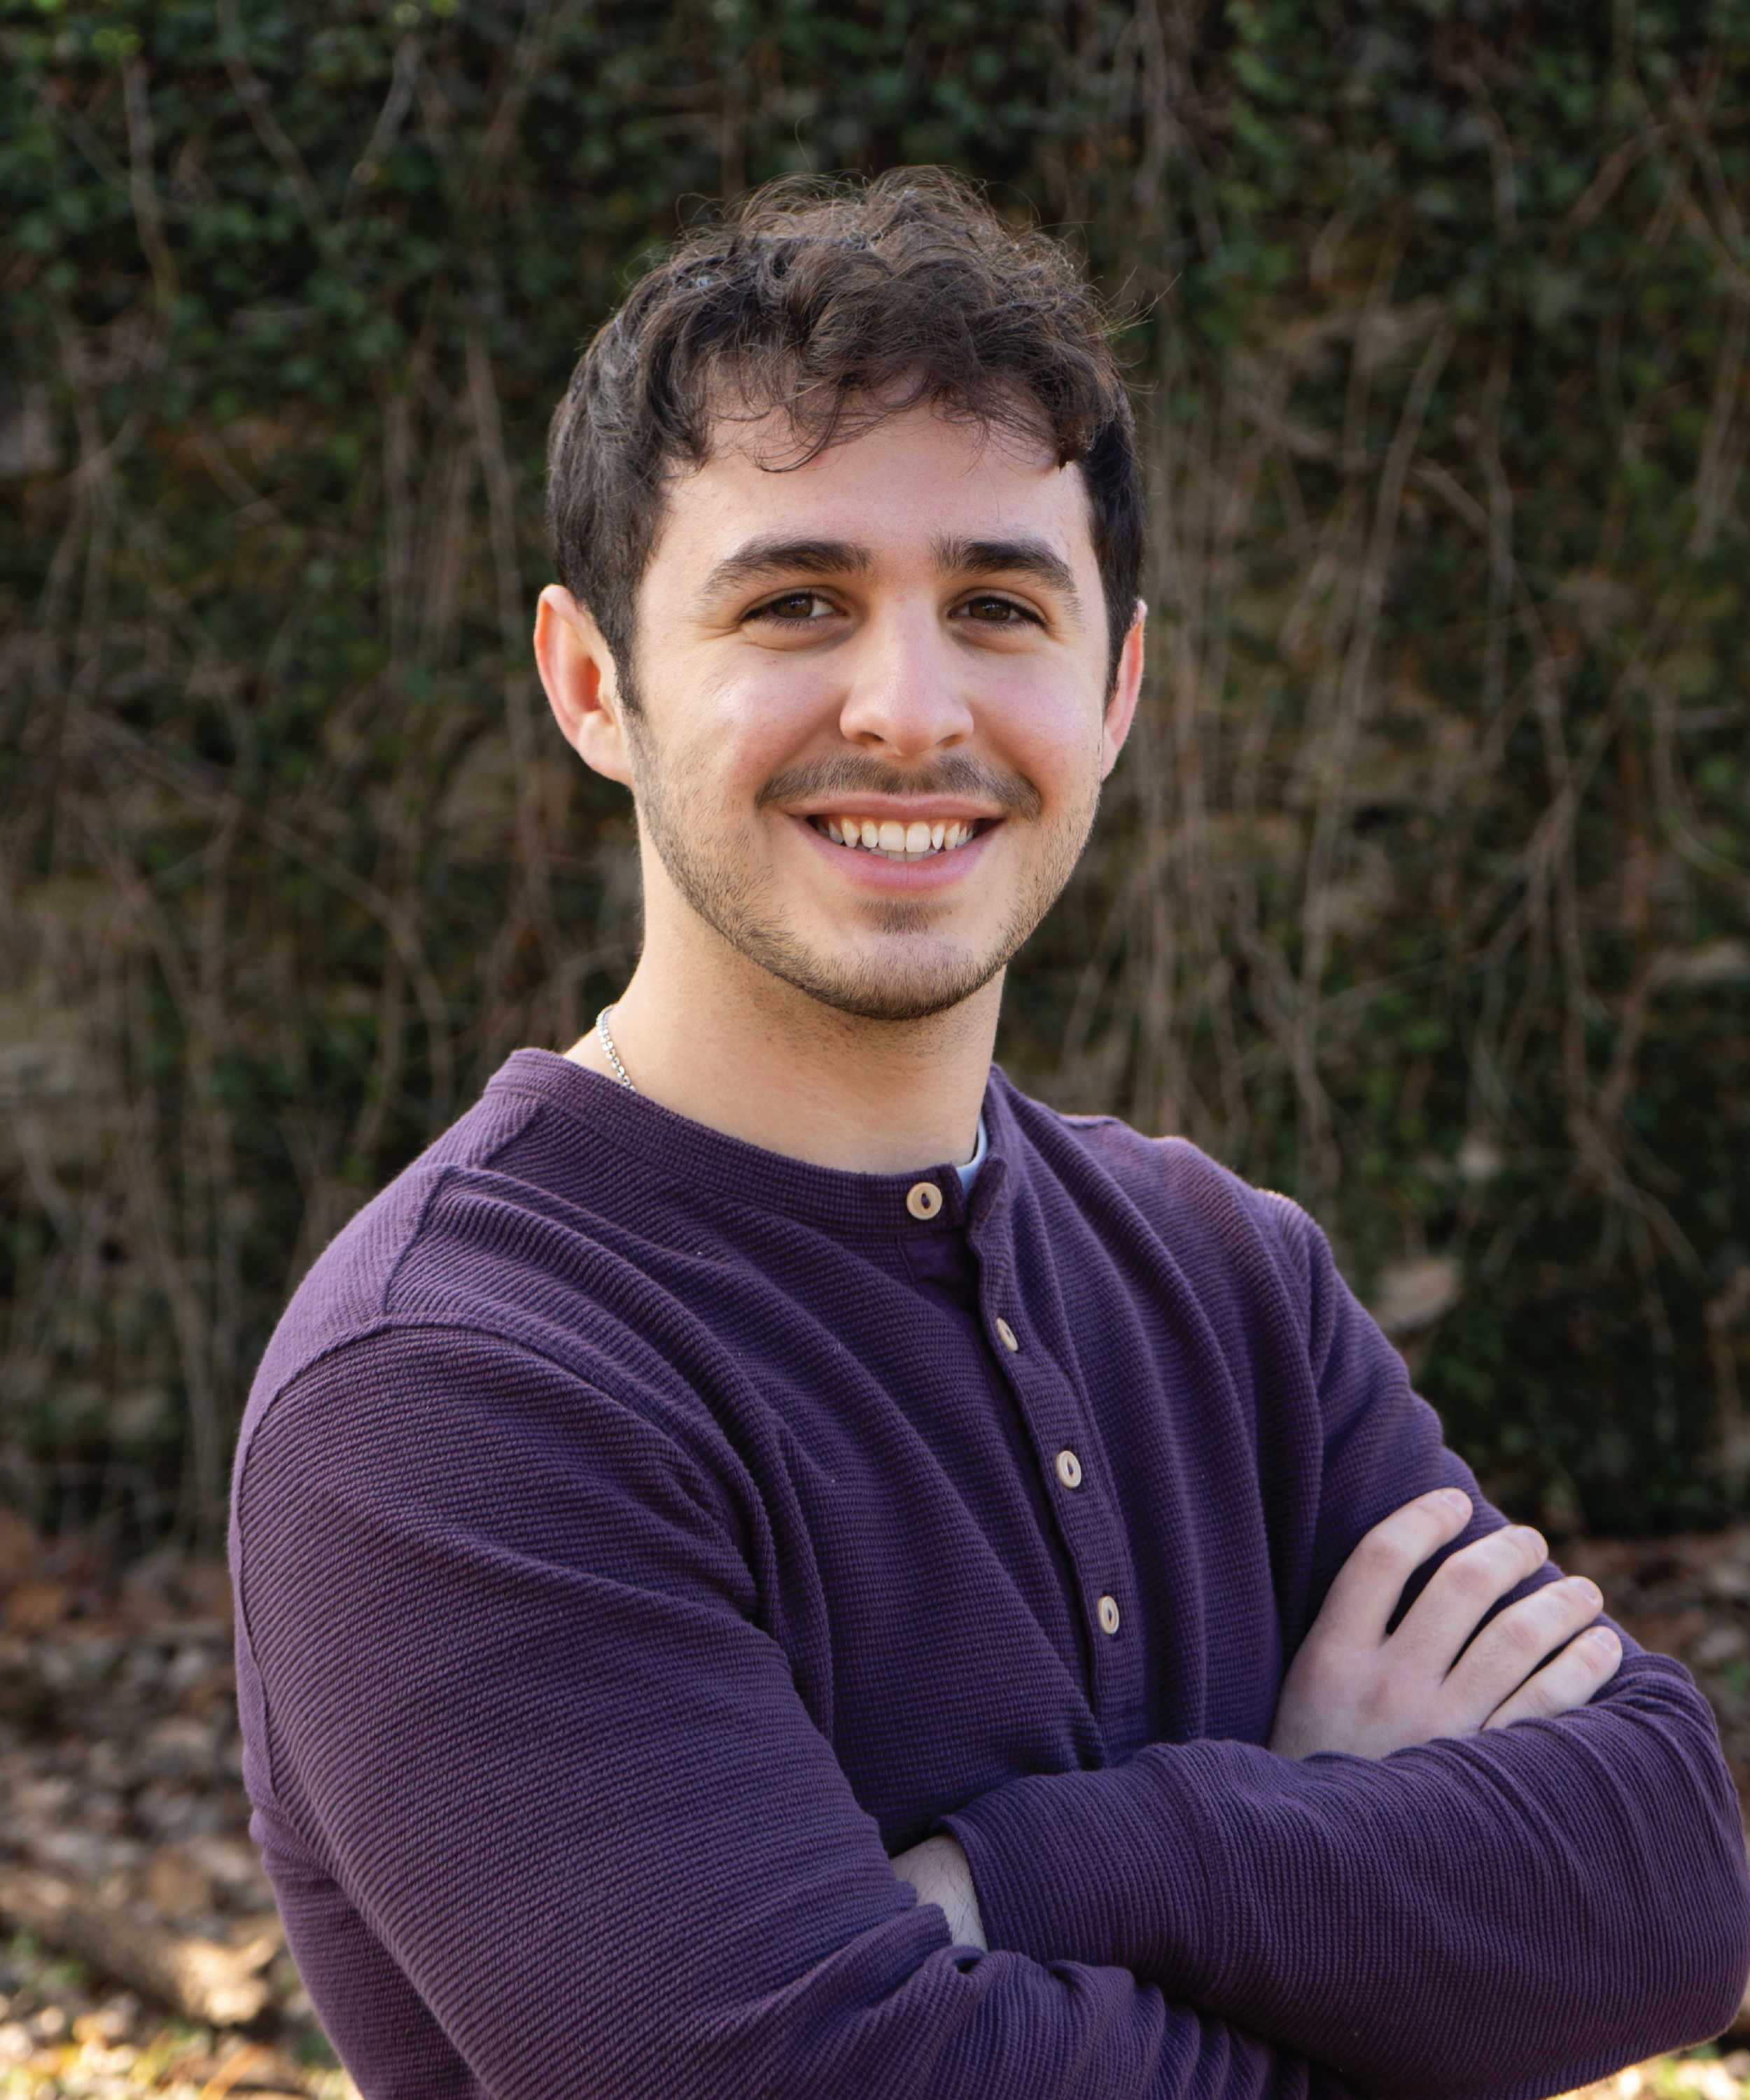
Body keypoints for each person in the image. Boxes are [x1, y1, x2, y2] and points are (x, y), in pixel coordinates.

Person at [229, 171, 1750, 2100]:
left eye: (996, 605)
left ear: (1114, 689)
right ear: (592, 682)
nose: (906, 706)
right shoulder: (458, 1381)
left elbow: (1665, 1889)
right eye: (795, 602)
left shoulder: (1221, 1276)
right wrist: (1360, 1896)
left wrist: (1057, 1865)